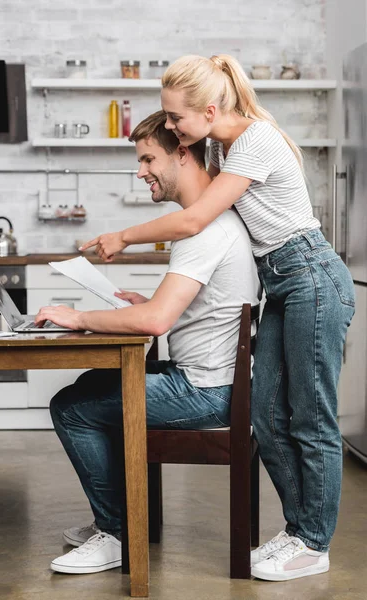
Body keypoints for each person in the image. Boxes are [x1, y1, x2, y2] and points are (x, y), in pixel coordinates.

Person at [80, 54, 356, 581]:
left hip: (312, 278)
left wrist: (123, 236)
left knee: (311, 417)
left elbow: (196, 219)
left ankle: (313, 542)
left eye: (176, 120)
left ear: (209, 109)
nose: (173, 131)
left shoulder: (256, 140)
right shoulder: (221, 144)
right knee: (269, 416)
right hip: (282, 283)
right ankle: (296, 532)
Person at [35, 109, 261, 575]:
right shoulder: (216, 223)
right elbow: (186, 309)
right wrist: (145, 302)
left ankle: (116, 532)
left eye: (147, 159)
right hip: (214, 383)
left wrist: (76, 316)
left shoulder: (202, 231)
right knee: (91, 388)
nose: (140, 172)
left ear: (182, 153)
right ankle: (122, 517)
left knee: (72, 407)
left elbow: (157, 322)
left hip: (205, 393)